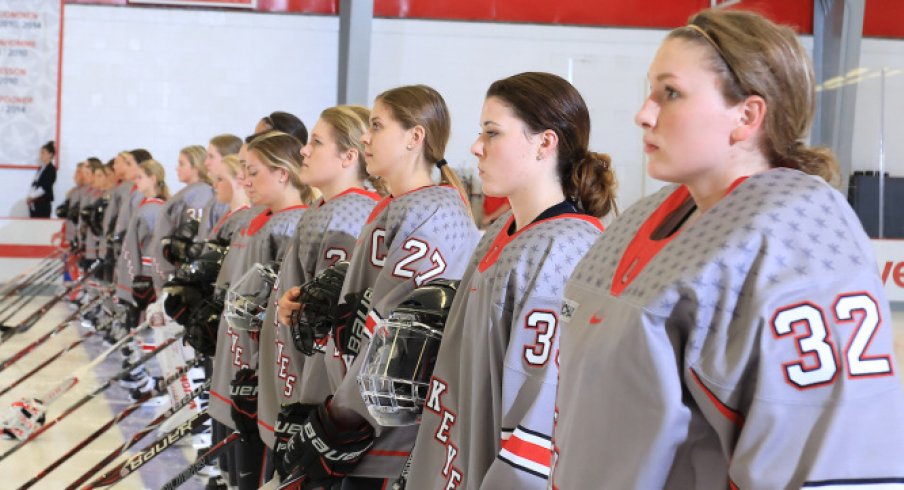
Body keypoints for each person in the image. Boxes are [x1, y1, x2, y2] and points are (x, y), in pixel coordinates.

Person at [551, 9, 904, 489]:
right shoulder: (654, 215)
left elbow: (828, 462)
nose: (644, 112)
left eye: (670, 93)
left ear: (747, 115)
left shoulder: (794, 240)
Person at [403, 72, 617, 489]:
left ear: (544, 143)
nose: (476, 147)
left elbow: (537, 421)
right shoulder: (505, 227)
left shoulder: (567, 247)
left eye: (492, 133)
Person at [276, 85, 480, 489]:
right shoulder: (393, 204)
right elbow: (360, 308)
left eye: (376, 126)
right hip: (359, 419)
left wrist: (338, 419)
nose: (365, 137)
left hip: (388, 437)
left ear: (414, 137)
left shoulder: (433, 213)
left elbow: (397, 339)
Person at [256, 105, 383, 471]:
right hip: (295, 381)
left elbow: (330, 329)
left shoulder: (349, 213)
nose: (304, 151)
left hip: (316, 394)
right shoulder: (324, 207)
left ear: (348, 155)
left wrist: (316, 402)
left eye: (316, 142)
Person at [208, 131, 315, 490]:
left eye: (253, 172)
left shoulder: (291, 223)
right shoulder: (262, 219)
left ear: (283, 173)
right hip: (240, 364)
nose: (244, 180)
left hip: (264, 371)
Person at [27, 141, 57, 218]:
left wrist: (32, 196)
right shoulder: (41, 168)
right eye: (40, 153)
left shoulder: (51, 169)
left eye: (43, 153)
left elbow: (45, 187)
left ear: (50, 154)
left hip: (43, 204)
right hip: (35, 204)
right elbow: (35, 184)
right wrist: (30, 195)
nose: (41, 155)